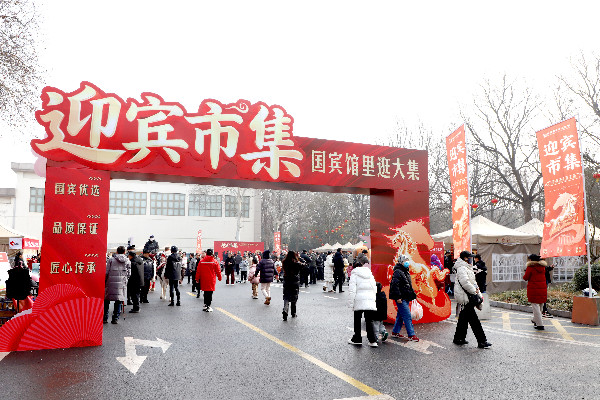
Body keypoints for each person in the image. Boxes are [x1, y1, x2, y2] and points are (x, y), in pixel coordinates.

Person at [453, 251, 491, 348]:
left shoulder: (466, 267)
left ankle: (458, 338)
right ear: (465, 258)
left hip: (468, 295)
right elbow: (465, 282)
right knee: (474, 321)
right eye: (470, 257)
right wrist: (474, 291)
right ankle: (482, 341)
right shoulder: (461, 268)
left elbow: (472, 281)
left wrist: (476, 290)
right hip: (466, 297)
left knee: (463, 318)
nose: (472, 259)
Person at [347, 257, 378, 347]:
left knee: (357, 320)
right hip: (369, 299)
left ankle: (357, 338)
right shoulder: (369, 273)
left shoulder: (354, 274)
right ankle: (372, 341)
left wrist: (351, 304)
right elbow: (374, 287)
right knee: (369, 320)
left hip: (359, 299)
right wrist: (373, 299)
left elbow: (352, 290)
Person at [388, 255, 419, 342]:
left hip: (406, 297)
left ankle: (395, 332)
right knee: (407, 316)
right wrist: (398, 297)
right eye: (405, 260)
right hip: (401, 298)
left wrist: (412, 294)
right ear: (401, 262)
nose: (407, 262)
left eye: (407, 260)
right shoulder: (398, 272)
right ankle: (411, 335)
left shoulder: (405, 271)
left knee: (400, 316)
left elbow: (408, 285)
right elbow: (394, 285)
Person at [104, 246, 131, 324]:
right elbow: (129, 273)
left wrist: (105, 280)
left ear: (116, 251)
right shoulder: (127, 260)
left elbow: (106, 272)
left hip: (110, 282)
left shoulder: (111, 260)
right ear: (124, 252)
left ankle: (105, 318)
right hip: (122, 283)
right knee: (119, 300)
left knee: (106, 300)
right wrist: (125, 280)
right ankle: (115, 318)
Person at [523, 254, 547, 330]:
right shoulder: (543, 267)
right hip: (542, 288)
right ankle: (535, 320)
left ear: (531, 260)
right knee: (540, 305)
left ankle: (540, 325)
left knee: (535, 307)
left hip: (534, 289)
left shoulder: (530, 267)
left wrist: (525, 272)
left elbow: (526, 278)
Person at [281, 251, 301, 321]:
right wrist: (299, 259)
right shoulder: (296, 263)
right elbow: (304, 266)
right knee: (294, 297)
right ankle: (293, 312)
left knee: (286, 296)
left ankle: (285, 310)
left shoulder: (284, 262)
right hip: (294, 281)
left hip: (286, 280)